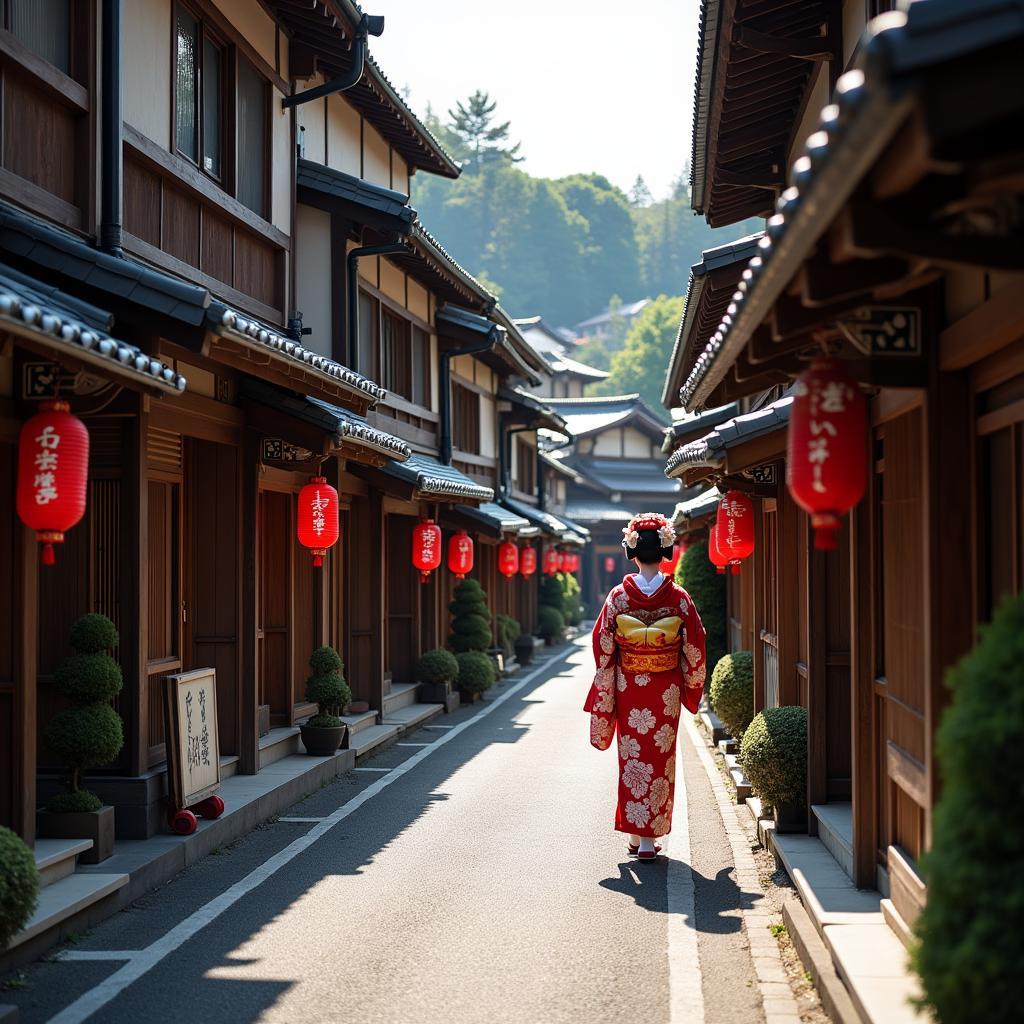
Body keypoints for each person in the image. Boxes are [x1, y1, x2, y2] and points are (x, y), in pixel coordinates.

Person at [584, 512, 706, 861]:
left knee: (633, 758)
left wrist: (615, 669)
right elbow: (695, 645)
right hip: (664, 689)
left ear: (632, 553)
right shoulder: (679, 598)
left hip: (629, 685)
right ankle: (649, 839)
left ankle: (640, 836)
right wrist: (690, 683)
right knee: (659, 759)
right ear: (665, 551)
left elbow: (603, 643)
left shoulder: (619, 598)